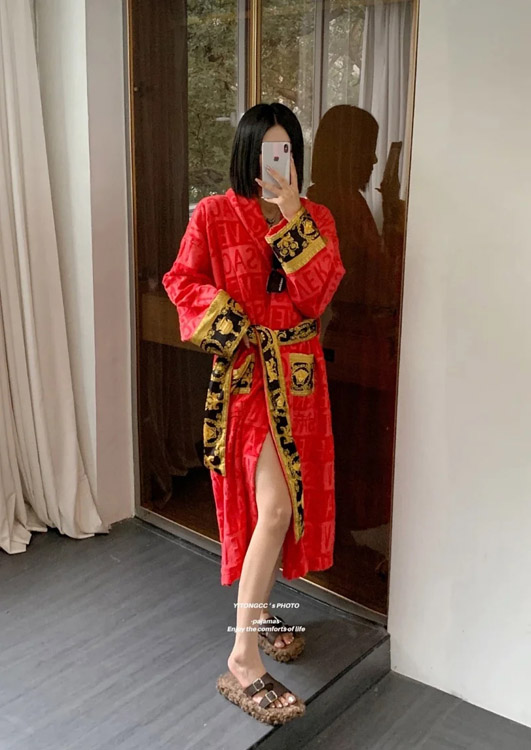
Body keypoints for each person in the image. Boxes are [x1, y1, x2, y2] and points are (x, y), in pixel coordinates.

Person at [162, 103, 346, 726]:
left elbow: (317, 296)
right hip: (247, 380)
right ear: (247, 153)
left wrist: (294, 219)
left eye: (287, 149)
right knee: (272, 508)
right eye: (268, 149)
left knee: (288, 506)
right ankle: (243, 658)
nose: (278, 160)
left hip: (300, 382)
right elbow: (181, 280)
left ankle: (262, 614)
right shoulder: (213, 214)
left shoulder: (317, 218)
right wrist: (231, 324)